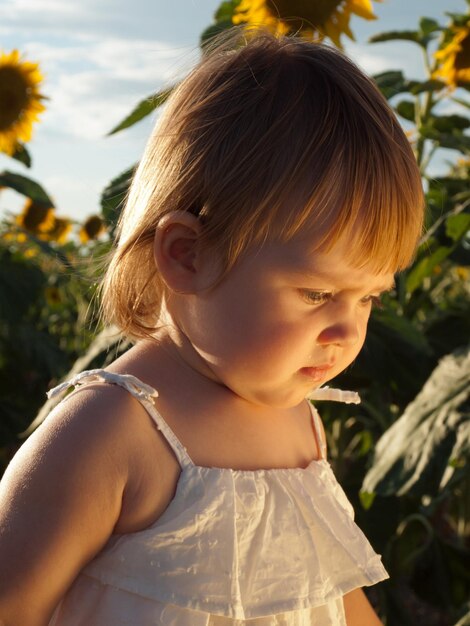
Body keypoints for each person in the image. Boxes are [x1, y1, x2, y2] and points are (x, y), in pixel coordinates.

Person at [0, 31, 424, 626]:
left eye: (369, 299)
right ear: (186, 255)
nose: (346, 332)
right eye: (317, 293)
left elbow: (324, 594)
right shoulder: (108, 435)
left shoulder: (299, 422)